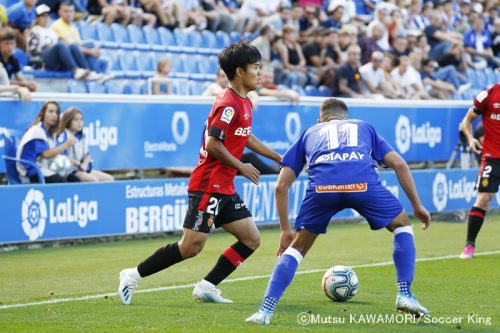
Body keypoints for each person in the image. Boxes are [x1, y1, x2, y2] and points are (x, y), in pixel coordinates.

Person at [118, 41, 282, 305]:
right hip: (208, 185)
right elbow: (212, 143)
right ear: (239, 72)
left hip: (225, 186)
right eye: (256, 67)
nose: (260, 72)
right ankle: (132, 275)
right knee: (190, 247)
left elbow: (245, 136)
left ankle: (206, 286)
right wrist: (242, 166)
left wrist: (277, 157)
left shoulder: (244, 102)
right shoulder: (228, 103)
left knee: (251, 239)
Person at [246, 97, 431, 325]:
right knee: (402, 225)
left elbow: (280, 186)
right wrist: (417, 205)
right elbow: (400, 164)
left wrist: (285, 230)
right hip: (362, 186)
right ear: (347, 117)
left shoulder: (309, 132)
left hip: (323, 189)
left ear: (320, 119)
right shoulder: (364, 127)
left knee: (296, 249)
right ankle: (405, 294)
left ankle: (265, 311)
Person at [459, 82, 500, 259]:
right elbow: (467, 121)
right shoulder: (488, 95)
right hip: (492, 156)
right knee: (483, 199)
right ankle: (469, 245)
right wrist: (470, 139)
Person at [26, 4, 101, 80]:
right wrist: (50, 47)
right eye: (43, 16)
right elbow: (32, 52)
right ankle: (75, 70)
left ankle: (87, 71)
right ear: (37, 18)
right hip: (44, 59)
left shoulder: (51, 31)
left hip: (56, 58)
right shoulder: (35, 31)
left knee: (72, 46)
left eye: (47, 16)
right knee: (60, 45)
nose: (46, 18)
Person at [16, 101, 77, 183]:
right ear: (43, 114)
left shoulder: (51, 133)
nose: (54, 115)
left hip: (43, 167)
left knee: (73, 179)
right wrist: (66, 144)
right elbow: (46, 155)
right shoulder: (37, 131)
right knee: (61, 181)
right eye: (50, 111)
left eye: (57, 112)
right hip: (30, 171)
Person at [56, 107, 114, 182]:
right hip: (71, 171)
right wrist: (77, 163)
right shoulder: (63, 136)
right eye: (76, 120)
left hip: (83, 168)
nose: (79, 122)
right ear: (68, 121)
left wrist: (84, 164)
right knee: (94, 180)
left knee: (109, 179)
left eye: (81, 120)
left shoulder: (81, 136)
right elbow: (61, 156)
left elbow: (87, 154)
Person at [0, 27, 37, 92]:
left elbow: (21, 79)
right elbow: (3, 83)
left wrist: (29, 84)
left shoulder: (13, 60)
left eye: (12, 43)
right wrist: (23, 84)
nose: (10, 47)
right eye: (7, 43)